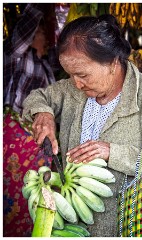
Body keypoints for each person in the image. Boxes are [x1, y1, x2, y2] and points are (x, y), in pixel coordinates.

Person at [22, 14, 142, 237]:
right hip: (73, 227)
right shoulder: (71, 90)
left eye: (82, 75)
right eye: (70, 75)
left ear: (113, 62)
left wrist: (112, 152)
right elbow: (38, 97)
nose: (76, 83)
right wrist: (43, 114)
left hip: (128, 227)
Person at [3, 3, 60, 237]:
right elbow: (21, 33)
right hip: (12, 135)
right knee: (13, 192)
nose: (45, 37)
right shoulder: (13, 56)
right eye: (40, 32)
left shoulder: (47, 66)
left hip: (36, 141)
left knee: (37, 192)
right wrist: (40, 8)